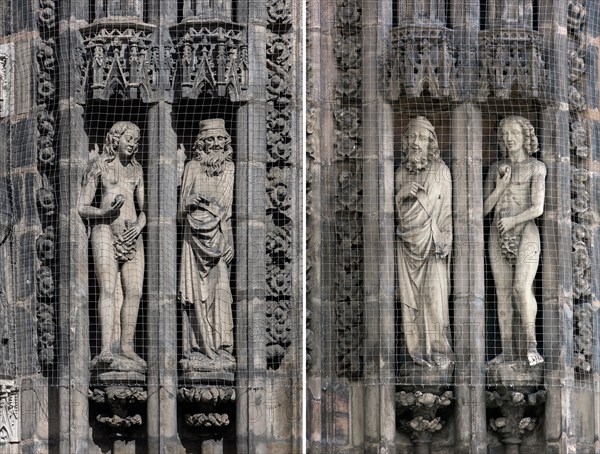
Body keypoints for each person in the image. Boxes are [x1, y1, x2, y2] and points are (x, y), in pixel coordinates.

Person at [78, 121, 146, 367]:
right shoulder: (100, 166)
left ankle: (127, 346)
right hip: (104, 230)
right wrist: (104, 212)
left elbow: (145, 211)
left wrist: (138, 227)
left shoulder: (136, 171)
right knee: (107, 288)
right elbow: (82, 207)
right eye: (129, 138)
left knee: (135, 291)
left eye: (136, 141)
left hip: (132, 235)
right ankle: (106, 347)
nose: (133, 144)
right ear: (115, 140)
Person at [484, 115, 545, 367]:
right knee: (503, 293)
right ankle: (507, 351)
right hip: (497, 234)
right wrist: (500, 186)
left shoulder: (535, 166)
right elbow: (483, 210)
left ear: (525, 136)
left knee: (521, 287)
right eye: (505, 134)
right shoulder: (495, 168)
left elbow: (538, 207)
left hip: (525, 232)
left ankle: (531, 344)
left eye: (514, 133)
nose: (509, 138)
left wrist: (513, 221)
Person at [395, 116, 453, 369]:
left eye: (421, 138)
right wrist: (400, 195)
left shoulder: (440, 170)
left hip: (433, 246)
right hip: (408, 248)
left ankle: (439, 350)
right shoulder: (400, 174)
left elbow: (447, 211)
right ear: (406, 142)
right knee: (412, 304)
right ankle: (415, 352)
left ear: (431, 142)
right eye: (412, 137)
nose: (416, 142)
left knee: (434, 299)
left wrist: (445, 237)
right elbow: (394, 215)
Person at [179, 118, 235, 370]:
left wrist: (230, 239)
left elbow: (229, 213)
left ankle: (222, 348)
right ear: (201, 143)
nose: (214, 144)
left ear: (226, 142)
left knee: (221, 292)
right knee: (195, 297)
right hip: (194, 242)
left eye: (219, 139)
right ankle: (197, 348)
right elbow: (181, 207)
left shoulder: (231, 170)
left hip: (220, 240)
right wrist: (192, 200)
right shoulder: (192, 167)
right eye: (209, 139)